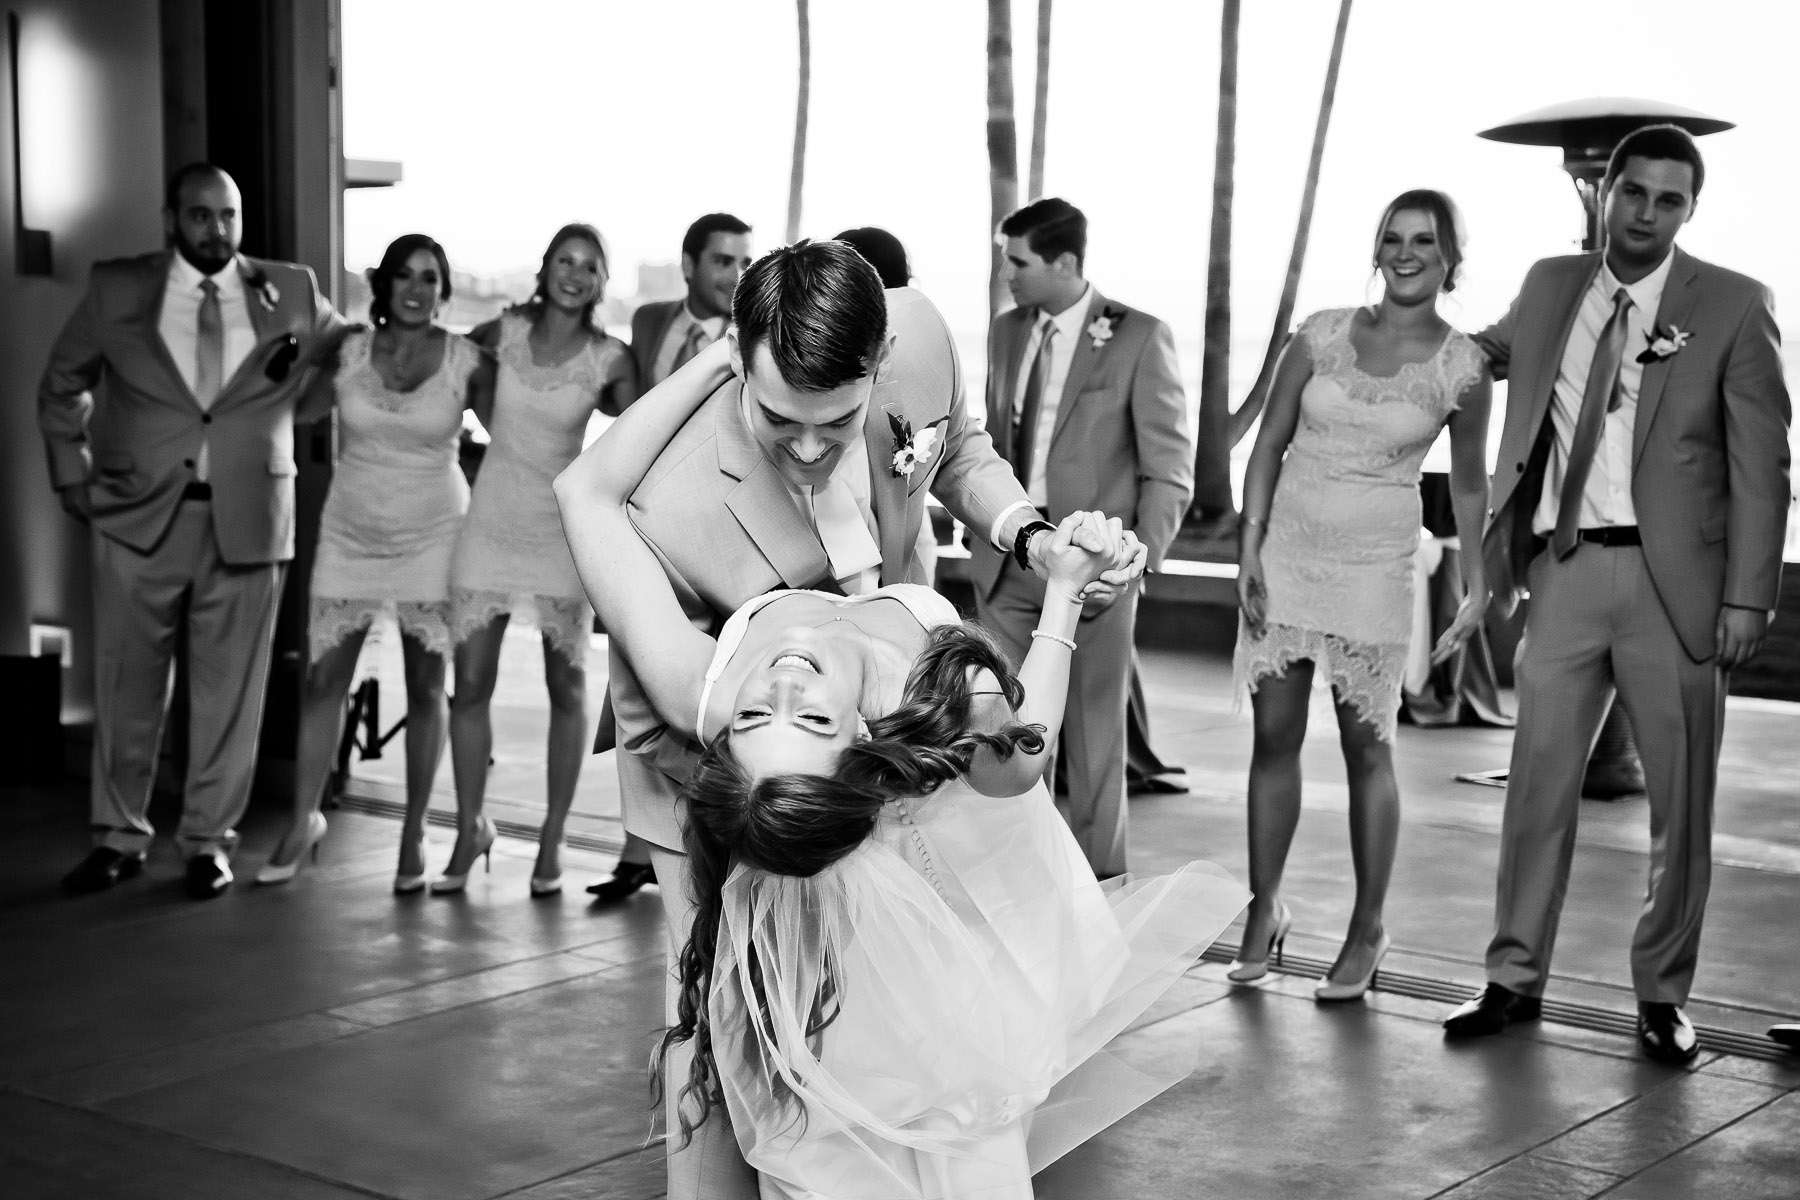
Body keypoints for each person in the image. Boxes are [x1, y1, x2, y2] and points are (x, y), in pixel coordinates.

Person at [555, 240, 1146, 1199]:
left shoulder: (913, 337)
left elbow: (957, 450)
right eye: (778, 417)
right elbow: (592, 516)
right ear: (741, 359)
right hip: (731, 796)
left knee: (932, 1043)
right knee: (734, 1031)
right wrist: (769, 795)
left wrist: (1040, 549)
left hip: (905, 750)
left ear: (876, 366)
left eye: (836, 421)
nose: (809, 448)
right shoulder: (672, 511)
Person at [1442, 126, 1790, 1063]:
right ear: (1610, 196)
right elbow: (1465, 357)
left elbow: (1765, 466)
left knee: (1681, 803)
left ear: (1689, 210)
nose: (1645, 213)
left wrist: (1749, 598)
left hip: (1675, 587)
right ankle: (1512, 980)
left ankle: (1663, 996)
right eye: (1632, 193)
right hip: (1561, 572)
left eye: (1667, 200)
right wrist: (1355, 339)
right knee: (1535, 791)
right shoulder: (1553, 284)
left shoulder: (1732, 304)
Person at [41, 163, 347, 901]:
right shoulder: (119, 288)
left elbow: (350, 352)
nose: (218, 229)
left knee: (229, 697)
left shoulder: (294, 288)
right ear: (172, 220)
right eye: (201, 215)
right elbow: (63, 382)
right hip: (136, 517)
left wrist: (293, 413)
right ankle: (118, 837)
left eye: (229, 215)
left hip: (248, 520)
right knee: (124, 689)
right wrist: (70, 475)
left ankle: (209, 841)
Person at [1231, 190, 1492, 1000]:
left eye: (1425, 240)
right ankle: (1264, 905)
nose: (1406, 252)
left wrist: (1478, 581)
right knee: (1273, 736)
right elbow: (1268, 445)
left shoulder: (1464, 367)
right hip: (1288, 556)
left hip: (1377, 567)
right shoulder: (1320, 333)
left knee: (1365, 746)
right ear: (1375, 250)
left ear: (1452, 257)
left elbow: (1475, 487)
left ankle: (1368, 926)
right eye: (1393, 238)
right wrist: (1249, 551)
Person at [257, 234, 490, 890]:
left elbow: (519, 434)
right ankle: (303, 820)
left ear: (444, 292)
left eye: (430, 278)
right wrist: (311, 348)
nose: (417, 289)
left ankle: (414, 831)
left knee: (425, 688)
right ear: (384, 285)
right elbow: (295, 410)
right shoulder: (352, 351)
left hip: (435, 535)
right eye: (404, 276)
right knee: (323, 682)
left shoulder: (466, 360)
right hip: (349, 536)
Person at [971, 197, 1193, 880]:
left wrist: (1134, 561)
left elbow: (1169, 471)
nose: (1007, 273)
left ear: (1065, 262)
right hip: (1009, 560)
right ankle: (1017, 884)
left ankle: (1102, 891)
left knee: (1097, 742)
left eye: (1020, 261)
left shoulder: (1138, 334)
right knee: (1004, 731)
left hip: (1096, 569)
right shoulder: (1008, 330)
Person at [443, 223, 637, 898]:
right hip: (489, 524)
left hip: (560, 534)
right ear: (545, 267)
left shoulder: (609, 357)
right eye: (564, 260)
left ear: (599, 280)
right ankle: (471, 829)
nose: (574, 274)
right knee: (468, 688)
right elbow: (450, 367)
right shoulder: (503, 331)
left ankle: (552, 839)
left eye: (589, 265)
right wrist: (488, 422)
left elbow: (641, 433)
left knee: (566, 687)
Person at [589, 212, 753, 904]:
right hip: (640, 532)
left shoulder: (754, 335)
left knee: (698, 698)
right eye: (722, 262)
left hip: (719, 541)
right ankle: (641, 847)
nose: (735, 276)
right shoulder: (653, 320)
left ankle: (716, 851)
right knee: (634, 691)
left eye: (744, 262)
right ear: (689, 266)